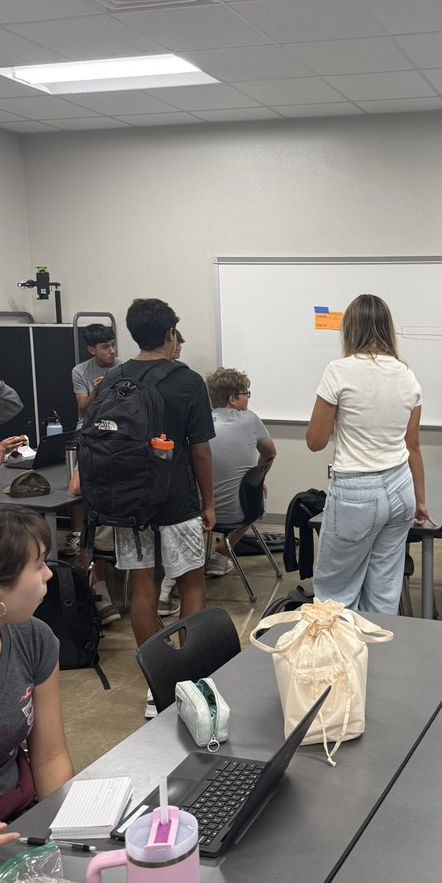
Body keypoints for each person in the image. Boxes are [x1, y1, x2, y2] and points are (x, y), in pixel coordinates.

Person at [110, 299, 215, 714]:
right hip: (177, 502)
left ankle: (158, 687)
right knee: (192, 585)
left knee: (144, 589)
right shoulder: (187, 381)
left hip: (129, 504)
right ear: (171, 334)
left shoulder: (114, 378)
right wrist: (209, 503)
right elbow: (200, 451)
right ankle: (191, 681)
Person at [306, 294, 433, 614]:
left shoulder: (338, 371)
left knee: (336, 595)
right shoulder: (407, 374)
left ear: (350, 328)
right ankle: (377, 645)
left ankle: (341, 648)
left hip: (356, 492)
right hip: (401, 489)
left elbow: (315, 441)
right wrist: (420, 501)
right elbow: (413, 446)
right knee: (384, 591)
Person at [0, 503, 74, 882]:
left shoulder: (33, 639)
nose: (49, 573)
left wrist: (63, 835)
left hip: (18, 820)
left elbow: (50, 756)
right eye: (39, 564)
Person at [200, 367, 276, 582]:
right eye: (245, 394)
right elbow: (270, 453)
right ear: (232, 399)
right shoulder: (250, 420)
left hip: (200, 515)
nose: (248, 398)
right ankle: (221, 555)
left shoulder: (201, 422)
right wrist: (257, 480)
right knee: (256, 497)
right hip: (238, 514)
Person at [66, 326, 120, 625]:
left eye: (113, 345)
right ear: (91, 350)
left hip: (115, 436)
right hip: (90, 434)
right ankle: (78, 535)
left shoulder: (124, 369)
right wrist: (97, 392)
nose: (112, 351)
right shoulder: (81, 371)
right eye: (105, 347)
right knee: (80, 490)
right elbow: (83, 410)